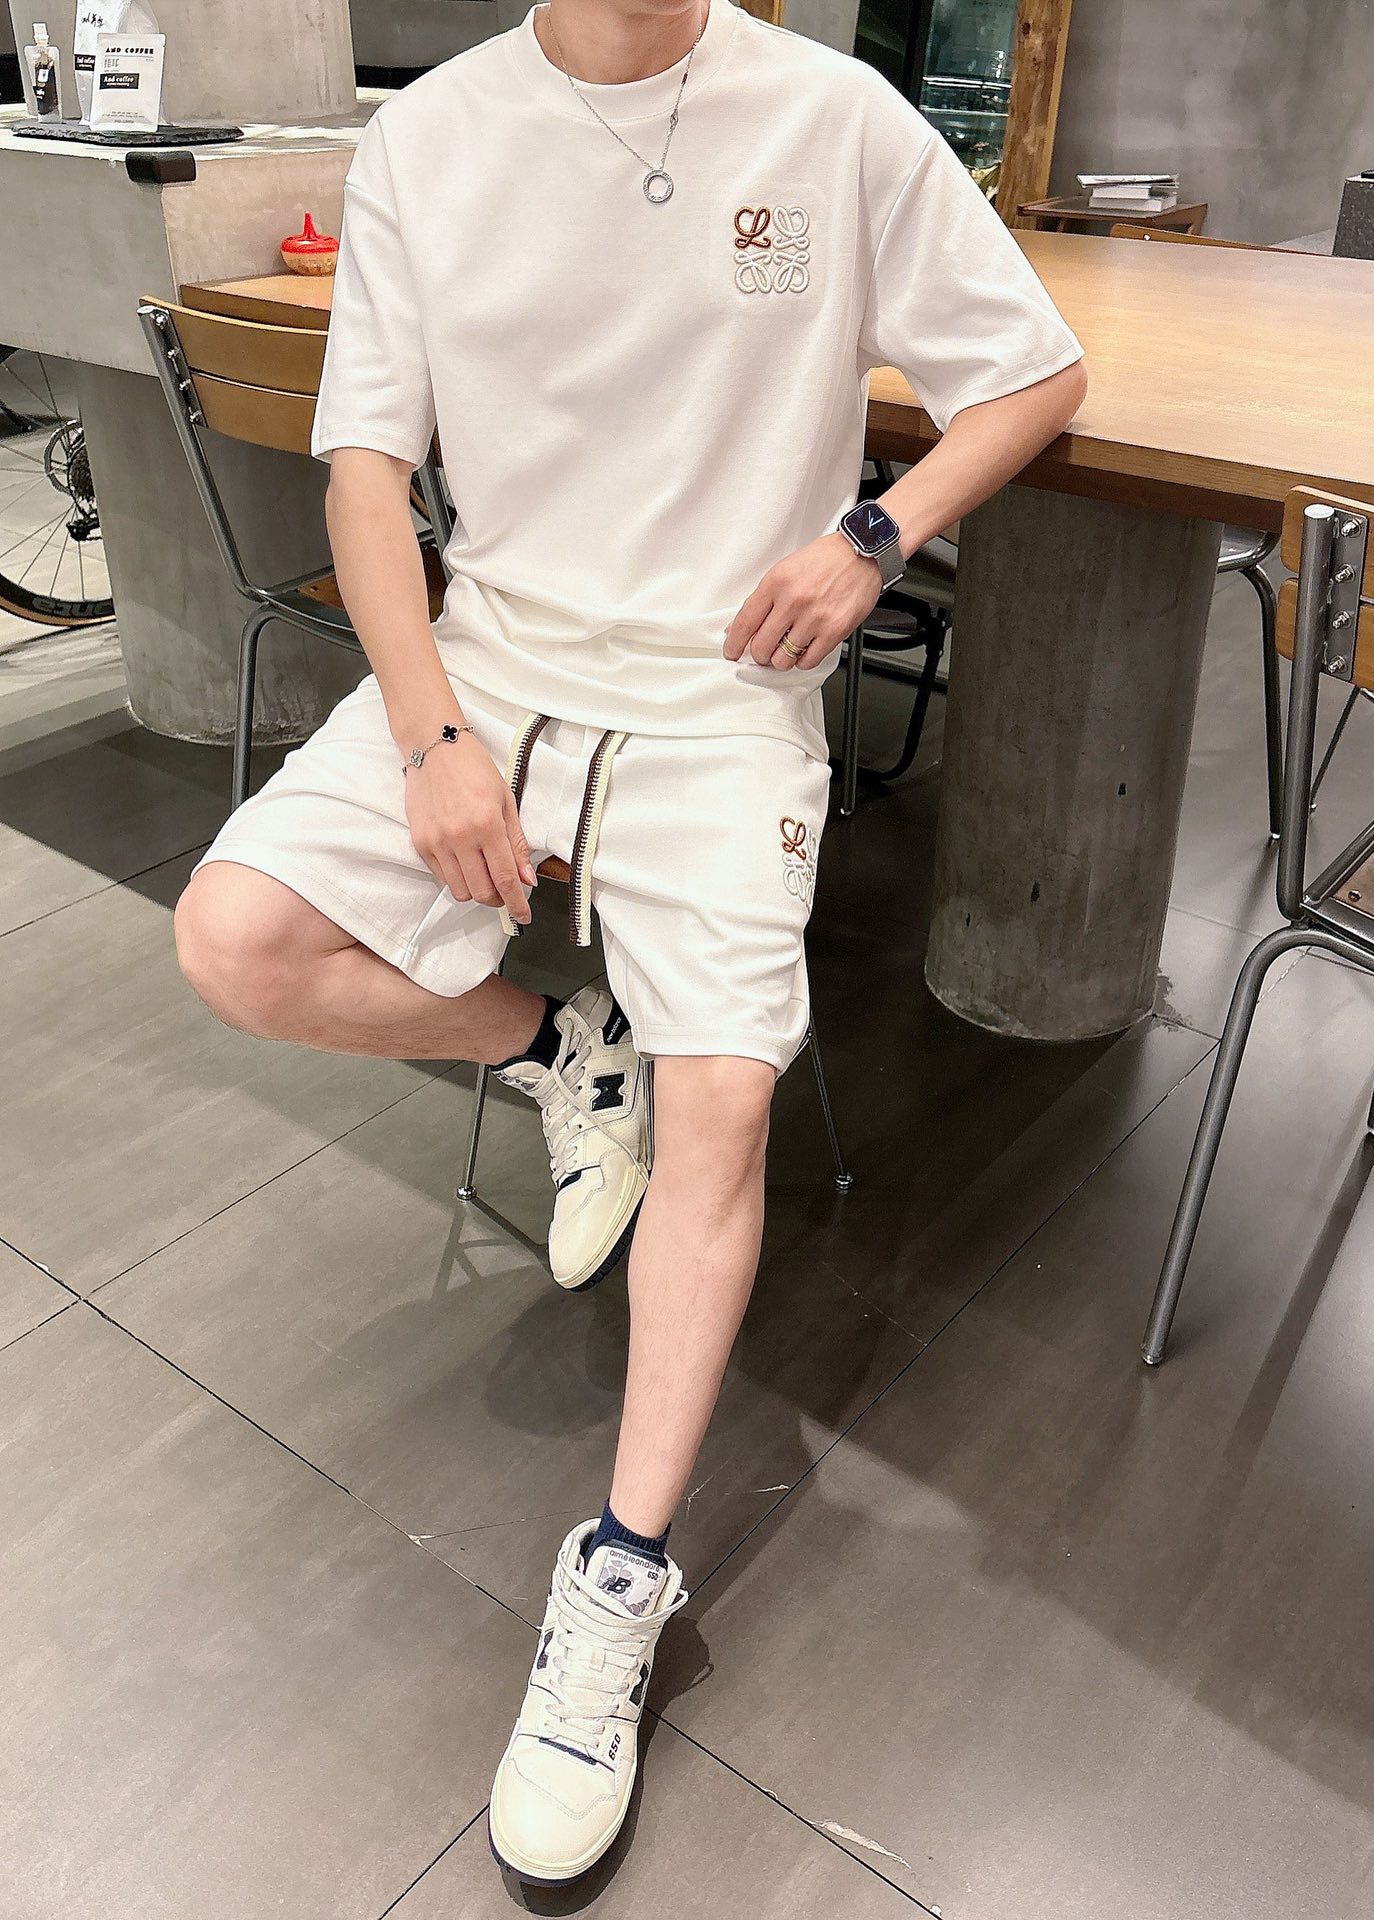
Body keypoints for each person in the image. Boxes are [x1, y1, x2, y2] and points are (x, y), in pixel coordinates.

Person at [173, 0, 1086, 1886]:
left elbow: (1032, 373)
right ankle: (552, 1049)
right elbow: (365, 473)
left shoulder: (831, 116)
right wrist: (431, 734)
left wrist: (875, 532)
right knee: (236, 941)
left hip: (723, 694)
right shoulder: (434, 136)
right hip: (496, 660)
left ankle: (620, 1577)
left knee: (722, 1116)